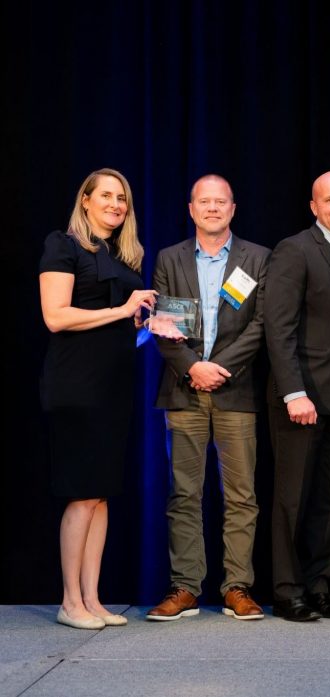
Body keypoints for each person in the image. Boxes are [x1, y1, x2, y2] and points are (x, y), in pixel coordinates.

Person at [146, 175, 269, 622]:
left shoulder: (258, 258)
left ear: (233, 209)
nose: (213, 208)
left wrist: (219, 368)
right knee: (184, 493)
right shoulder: (169, 258)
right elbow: (161, 321)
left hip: (236, 389)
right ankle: (185, 588)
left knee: (241, 495)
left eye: (221, 202)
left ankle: (237, 587)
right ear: (192, 208)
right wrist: (192, 366)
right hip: (183, 389)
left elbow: (260, 325)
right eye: (205, 202)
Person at [39, 168, 156, 629]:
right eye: (106, 195)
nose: (115, 204)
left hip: (113, 385)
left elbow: (120, 325)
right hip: (76, 385)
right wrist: (121, 310)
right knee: (82, 493)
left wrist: (146, 326)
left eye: (122, 198)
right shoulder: (62, 245)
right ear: (85, 200)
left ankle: (92, 598)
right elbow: (55, 316)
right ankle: (70, 602)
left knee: (102, 496)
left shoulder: (124, 257)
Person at [264, 171, 330, 622]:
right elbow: (279, 326)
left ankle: (319, 585)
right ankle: (289, 591)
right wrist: (293, 391)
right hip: (302, 398)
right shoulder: (295, 250)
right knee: (294, 498)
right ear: (314, 206)